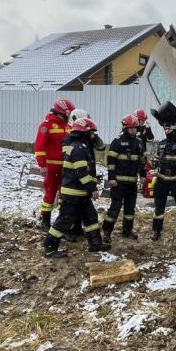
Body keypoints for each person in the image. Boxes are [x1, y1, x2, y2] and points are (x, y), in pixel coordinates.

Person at [44, 117, 109, 257]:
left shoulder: (82, 146)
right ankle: (50, 247)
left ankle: (95, 243)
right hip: (73, 193)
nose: (94, 136)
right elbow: (82, 173)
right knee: (65, 220)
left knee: (91, 217)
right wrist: (93, 189)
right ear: (85, 133)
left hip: (80, 193)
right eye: (92, 132)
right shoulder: (79, 148)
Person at [34, 98, 76, 230]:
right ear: (62, 112)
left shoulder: (68, 126)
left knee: (65, 195)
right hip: (52, 167)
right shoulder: (46, 125)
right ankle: (45, 220)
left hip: (67, 167)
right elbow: (39, 146)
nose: (70, 116)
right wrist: (43, 165)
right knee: (50, 194)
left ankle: (62, 222)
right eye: (68, 113)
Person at [102, 114, 144, 244]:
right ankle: (107, 232)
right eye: (131, 128)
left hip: (132, 183)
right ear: (125, 128)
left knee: (130, 209)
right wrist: (111, 178)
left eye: (135, 128)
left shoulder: (139, 142)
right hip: (118, 183)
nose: (133, 130)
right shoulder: (117, 141)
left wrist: (143, 176)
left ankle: (127, 231)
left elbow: (142, 161)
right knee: (115, 208)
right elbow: (111, 161)